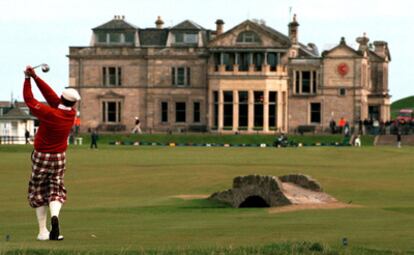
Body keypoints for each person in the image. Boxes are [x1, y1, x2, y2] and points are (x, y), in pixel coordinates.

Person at [23, 65, 81, 241]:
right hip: (60, 157)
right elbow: (51, 97)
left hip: (42, 155)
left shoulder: (49, 113)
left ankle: (43, 231)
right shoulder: (70, 113)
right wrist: (36, 77)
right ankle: (55, 216)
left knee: (38, 191)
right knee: (56, 189)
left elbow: (29, 99)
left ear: (62, 98)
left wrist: (27, 79)